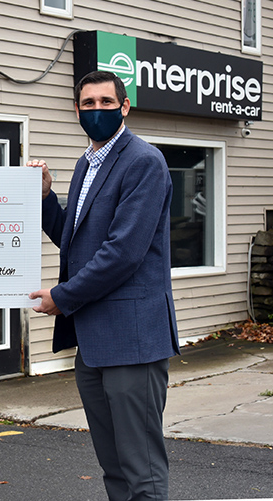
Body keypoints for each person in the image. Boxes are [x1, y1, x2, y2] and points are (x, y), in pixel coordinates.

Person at [27, 70, 180, 501]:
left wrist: (62, 297)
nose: (96, 111)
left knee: (142, 468)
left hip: (132, 339)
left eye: (106, 103)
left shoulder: (143, 162)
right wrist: (43, 197)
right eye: (88, 104)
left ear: (124, 107)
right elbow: (75, 243)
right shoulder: (85, 164)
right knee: (113, 466)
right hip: (93, 341)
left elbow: (123, 253)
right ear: (77, 110)